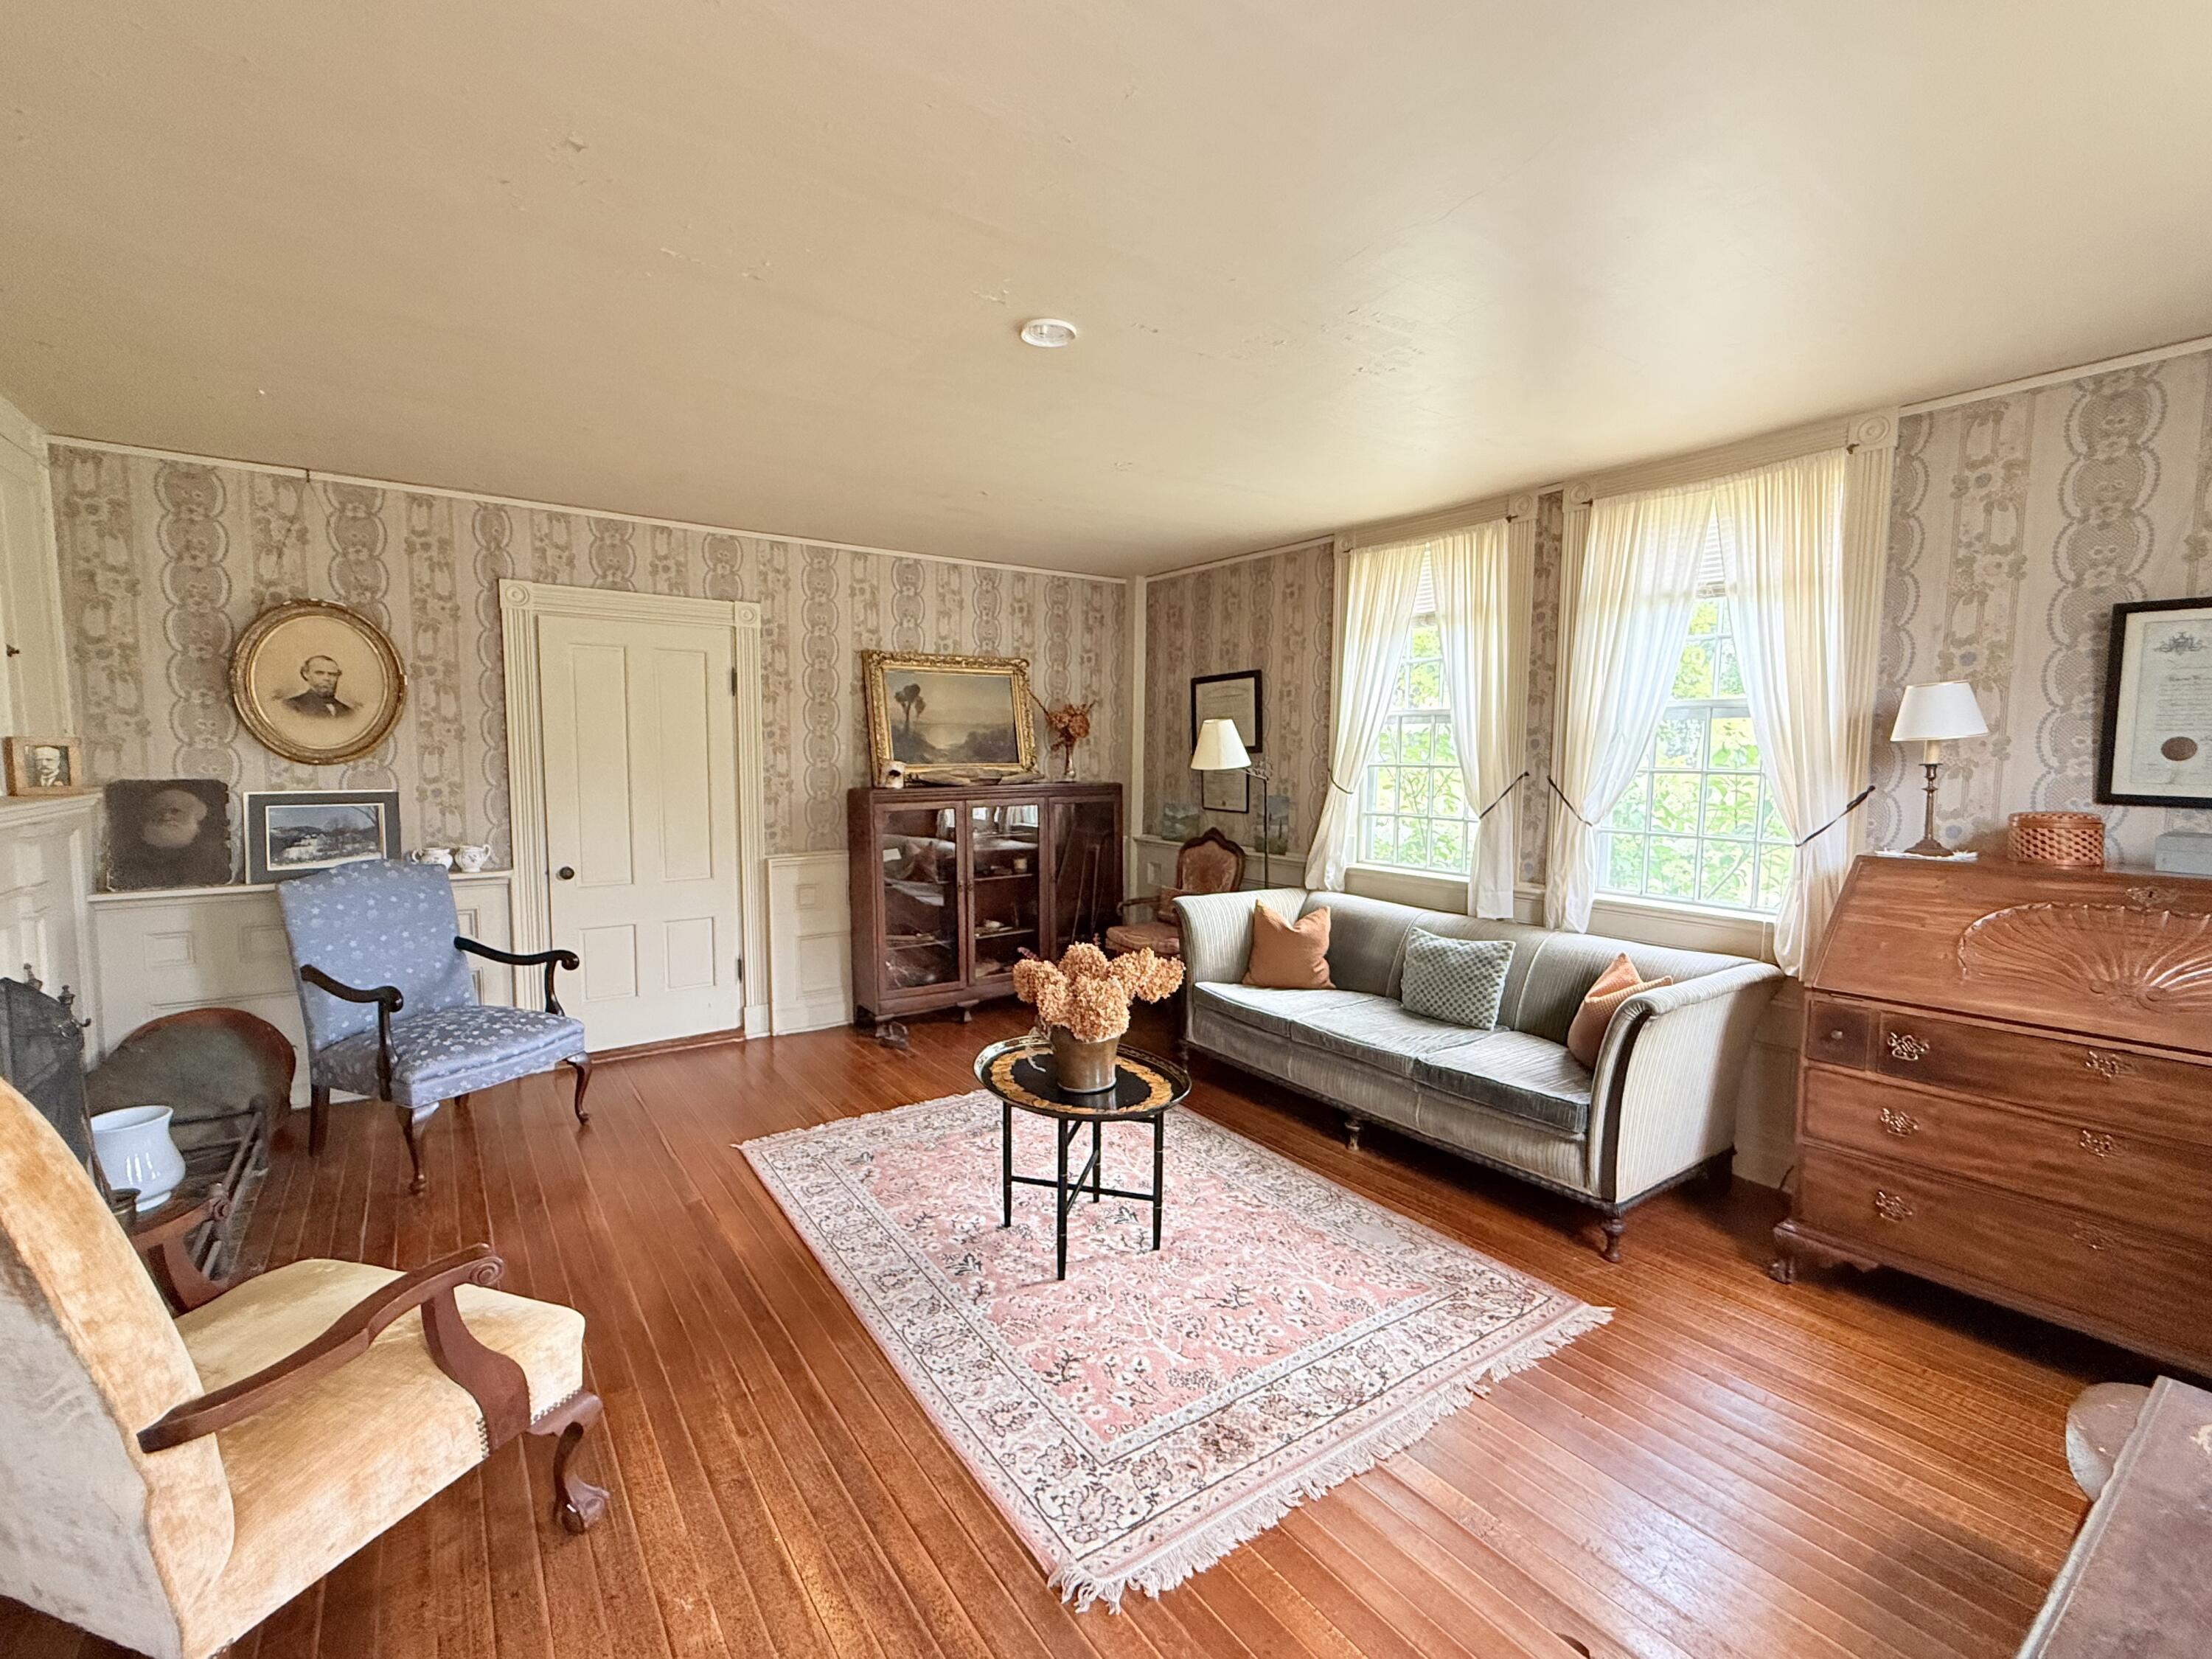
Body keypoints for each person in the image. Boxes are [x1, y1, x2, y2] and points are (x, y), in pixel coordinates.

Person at [277, 655, 356, 718]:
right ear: (306, 674)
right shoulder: (290, 707)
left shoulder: (349, 712)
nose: (327, 678)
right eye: (320, 673)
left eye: (332, 674)